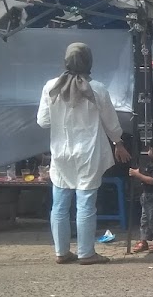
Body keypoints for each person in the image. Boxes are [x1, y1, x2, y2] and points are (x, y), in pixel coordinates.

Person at [37, 43, 131, 265]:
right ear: (89, 61)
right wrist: (118, 143)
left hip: (61, 153)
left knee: (60, 204)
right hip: (89, 153)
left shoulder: (51, 86)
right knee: (86, 204)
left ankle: (61, 252)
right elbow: (111, 123)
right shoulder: (97, 88)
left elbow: (43, 122)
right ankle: (86, 253)